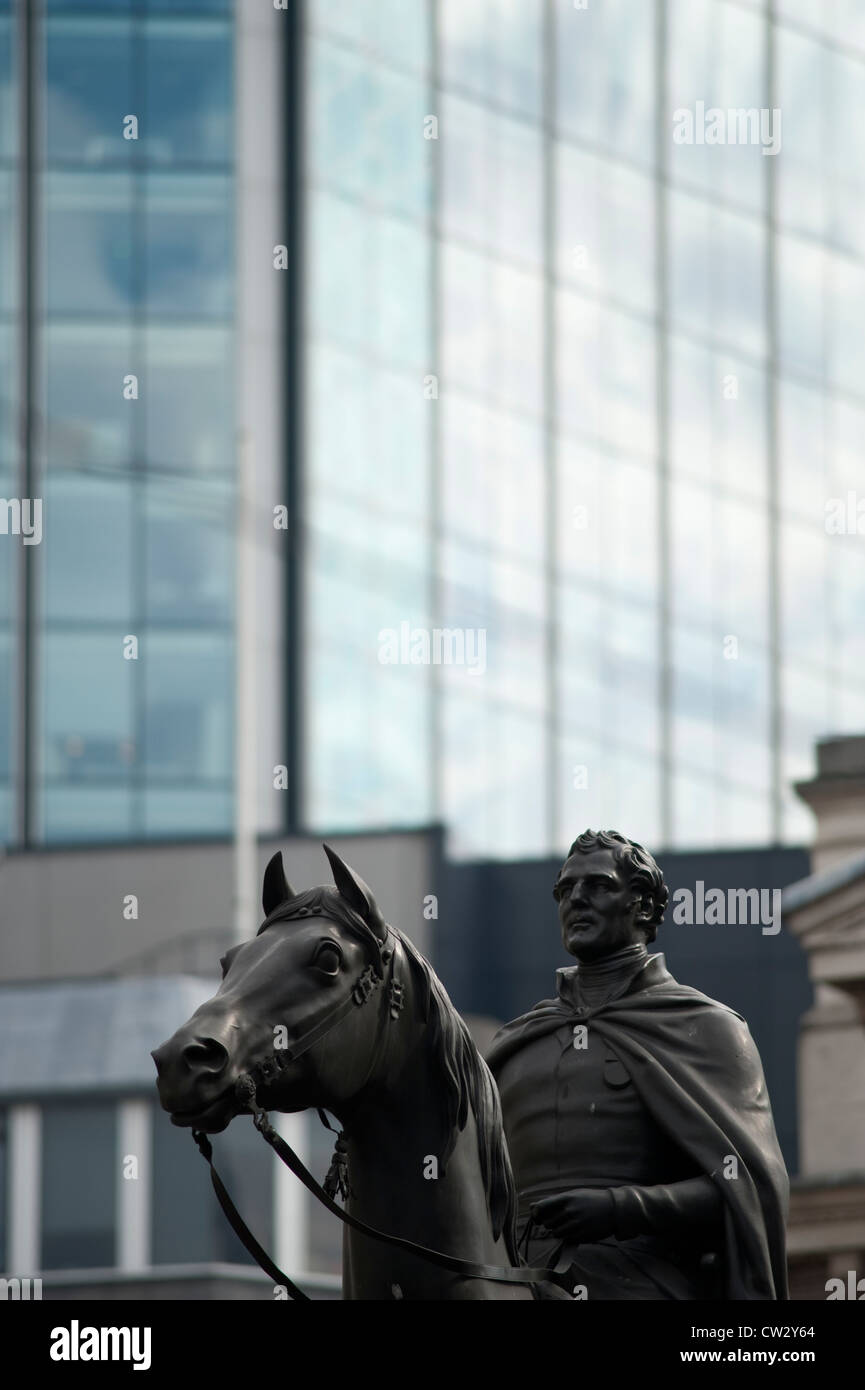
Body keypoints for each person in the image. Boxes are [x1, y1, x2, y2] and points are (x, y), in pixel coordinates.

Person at [486, 829, 789, 1299]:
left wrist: (620, 1208)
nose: (577, 900)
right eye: (565, 890)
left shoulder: (704, 1027)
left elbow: (750, 1185)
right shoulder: (517, 1043)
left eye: (599, 886)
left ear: (643, 906)